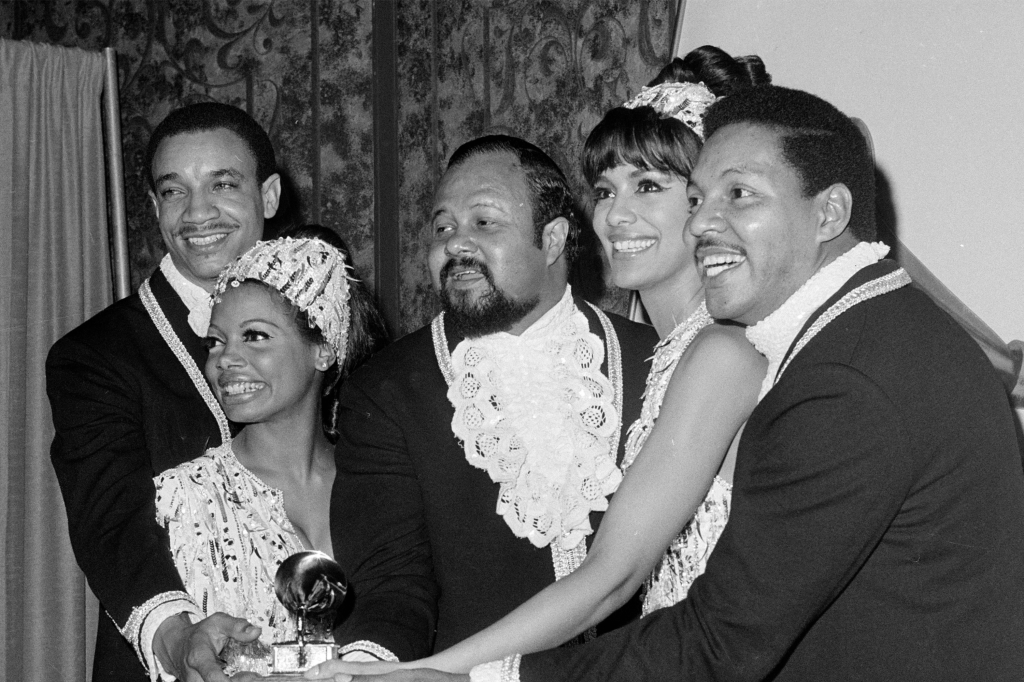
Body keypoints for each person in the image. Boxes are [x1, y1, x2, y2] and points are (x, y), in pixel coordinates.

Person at [338, 85, 1024, 682]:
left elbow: (675, 613)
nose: (700, 222)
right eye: (605, 190)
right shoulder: (840, 336)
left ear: (828, 213)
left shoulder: (816, 368)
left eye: (734, 194)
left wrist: (449, 676)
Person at [308, 46, 770, 679]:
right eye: (604, 190)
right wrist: (392, 666)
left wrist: (438, 674)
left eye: (649, 186)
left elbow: (613, 576)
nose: (615, 214)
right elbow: (392, 583)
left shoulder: (713, 350)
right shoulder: (678, 351)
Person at [326, 135, 660, 664]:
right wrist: (371, 667)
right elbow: (391, 587)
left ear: (552, 240)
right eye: (442, 228)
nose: (456, 244)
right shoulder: (386, 390)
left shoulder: (653, 360)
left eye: (484, 222)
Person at [46, 101, 281, 682]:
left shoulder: (324, 330)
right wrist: (177, 638)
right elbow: (112, 525)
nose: (198, 213)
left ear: (270, 195)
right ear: (155, 207)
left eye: (223, 184)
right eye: (175, 191)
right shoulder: (96, 356)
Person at [154, 232, 381, 676]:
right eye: (215, 342)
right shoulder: (188, 497)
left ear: (323, 349)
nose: (225, 359)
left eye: (254, 336)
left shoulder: (383, 480)